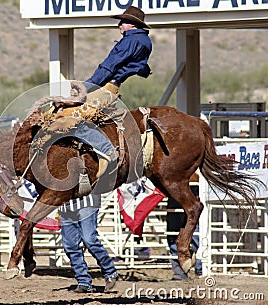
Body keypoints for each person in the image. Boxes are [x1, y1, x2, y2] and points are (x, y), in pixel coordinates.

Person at [54, 6, 152, 177]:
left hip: (106, 87)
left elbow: (108, 67)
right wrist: (143, 71)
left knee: (69, 117)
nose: (120, 25)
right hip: (112, 87)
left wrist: (84, 88)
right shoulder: (144, 41)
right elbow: (140, 66)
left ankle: (106, 149)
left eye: (123, 22)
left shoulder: (130, 41)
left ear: (132, 26)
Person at [60, 194, 119, 293]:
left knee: (89, 240)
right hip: (66, 204)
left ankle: (110, 271)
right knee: (70, 245)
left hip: (88, 202)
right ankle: (83, 281)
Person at [166, 174, 202, 280]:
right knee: (176, 230)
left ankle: (197, 266)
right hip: (175, 186)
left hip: (185, 185)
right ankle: (183, 268)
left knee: (189, 228)